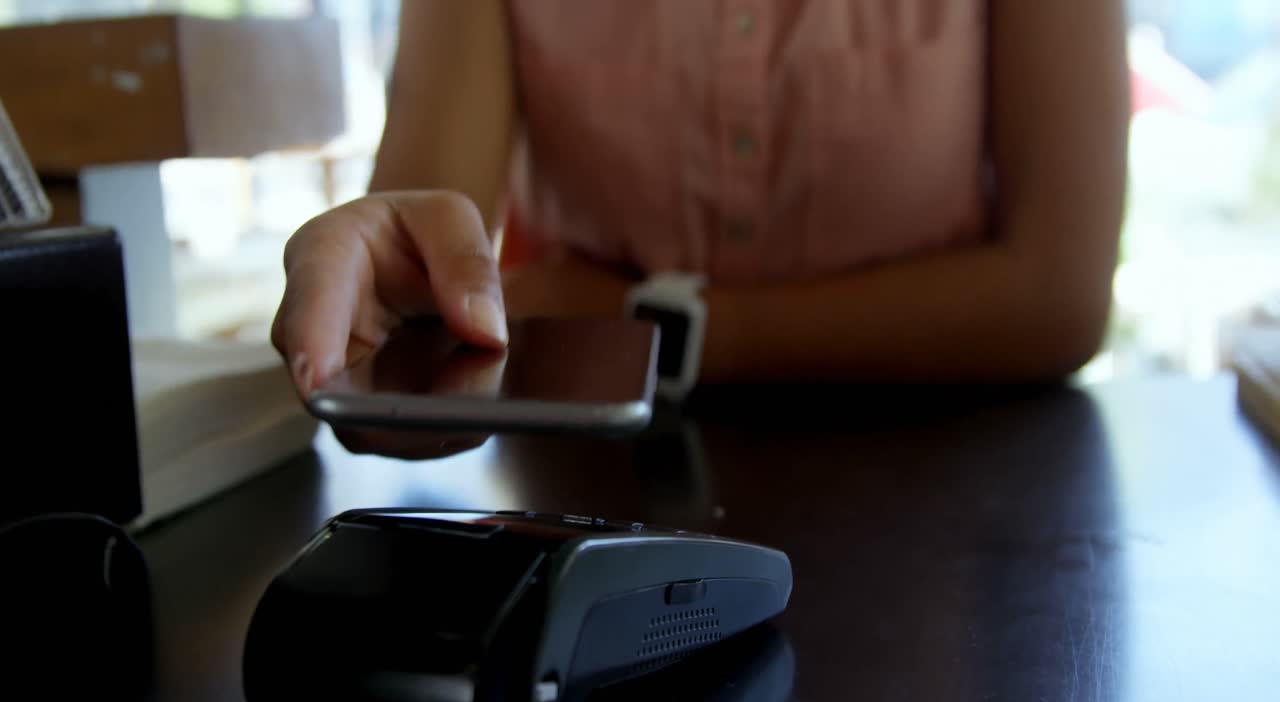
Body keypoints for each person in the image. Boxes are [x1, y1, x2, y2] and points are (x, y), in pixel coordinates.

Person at [272, 0, 1130, 398]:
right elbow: (417, 320)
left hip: (966, 492)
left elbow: (1057, 298)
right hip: (592, 515)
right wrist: (374, 314)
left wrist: (650, 329)